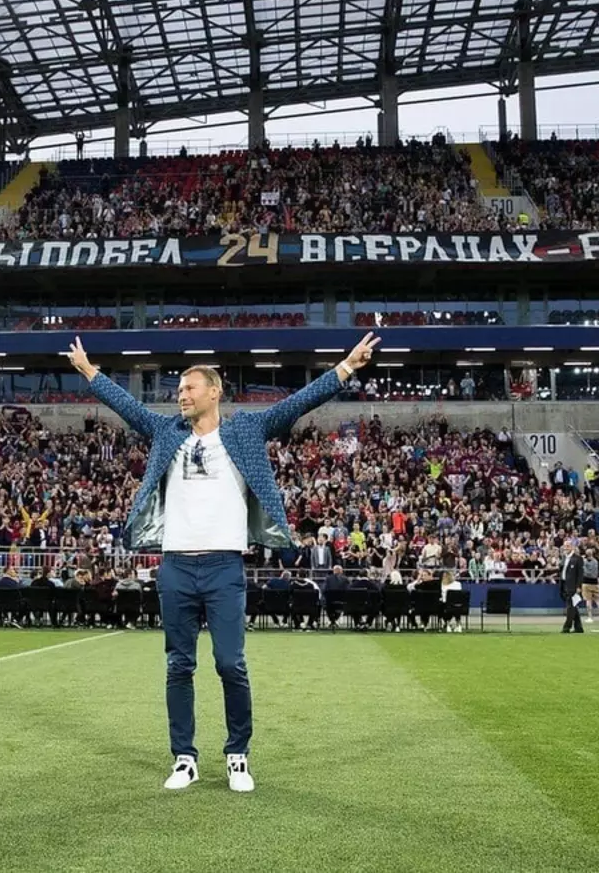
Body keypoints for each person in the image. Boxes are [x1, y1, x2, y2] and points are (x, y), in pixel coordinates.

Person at [68, 331, 379, 793]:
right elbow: (128, 407)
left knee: (231, 664)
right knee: (178, 666)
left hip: (223, 568)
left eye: (189, 388)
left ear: (214, 392)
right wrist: (89, 371)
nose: (181, 396)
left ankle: (237, 756)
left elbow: (298, 403)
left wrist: (347, 366)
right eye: (178, 390)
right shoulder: (166, 432)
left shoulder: (244, 430)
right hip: (175, 566)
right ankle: (184, 759)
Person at [558, 548, 584, 634]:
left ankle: (566, 627)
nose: (566, 547)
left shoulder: (578, 558)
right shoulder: (563, 558)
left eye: (568, 546)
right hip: (564, 584)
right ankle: (578, 627)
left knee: (570, 606)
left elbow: (580, 574)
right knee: (573, 606)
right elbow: (561, 571)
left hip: (573, 586)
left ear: (572, 547)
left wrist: (579, 586)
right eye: (565, 546)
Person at [322, 565, 349, 629]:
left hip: (329, 603)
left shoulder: (328, 579)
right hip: (342, 602)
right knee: (339, 606)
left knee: (327, 604)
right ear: (341, 571)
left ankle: (332, 621)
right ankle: (334, 621)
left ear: (334, 571)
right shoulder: (345, 579)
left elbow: (324, 590)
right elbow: (348, 591)